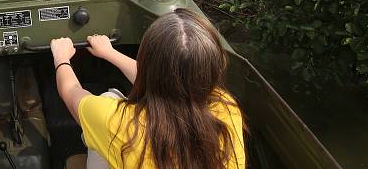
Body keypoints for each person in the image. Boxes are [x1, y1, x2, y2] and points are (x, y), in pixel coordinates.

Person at [50, 9, 245, 169]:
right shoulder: (227, 107)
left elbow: (70, 91)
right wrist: (110, 53)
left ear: (146, 59)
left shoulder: (116, 122)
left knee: (109, 97)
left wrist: (61, 58)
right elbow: (172, 82)